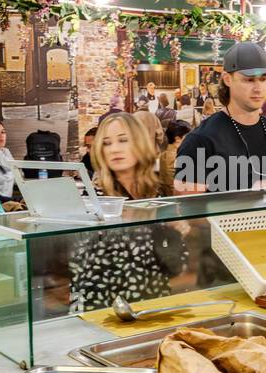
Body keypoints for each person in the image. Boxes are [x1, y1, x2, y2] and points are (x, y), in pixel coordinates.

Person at [69, 112, 188, 310]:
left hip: (153, 305)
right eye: (107, 143)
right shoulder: (94, 200)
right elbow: (84, 271)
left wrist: (176, 233)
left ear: (139, 144)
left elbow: (175, 266)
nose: (115, 149)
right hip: (105, 311)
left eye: (123, 140)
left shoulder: (153, 193)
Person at [175, 42, 266, 192]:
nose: (258, 88)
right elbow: (189, 210)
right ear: (227, 79)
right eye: (249, 79)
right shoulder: (200, 141)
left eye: (263, 79)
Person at [159, 120, 192, 193]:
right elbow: (173, 184)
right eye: (188, 136)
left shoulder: (164, 154)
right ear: (177, 139)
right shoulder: (177, 156)